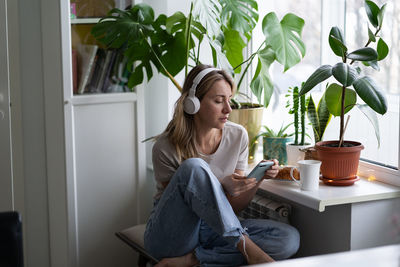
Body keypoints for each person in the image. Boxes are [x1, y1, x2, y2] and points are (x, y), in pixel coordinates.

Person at [144, 64, 300, 267]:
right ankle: (247, 250)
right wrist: (222, 185)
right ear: (193, 103)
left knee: (288, 239)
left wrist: (257, 178)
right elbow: (188, 208)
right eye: (219, 101)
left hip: (214, 229)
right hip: (172, 234)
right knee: (193, 167)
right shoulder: (165, 146)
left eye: (229, 100)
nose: (228, 109)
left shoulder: (237, 136)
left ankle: (194, 260)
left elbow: (232, 208)